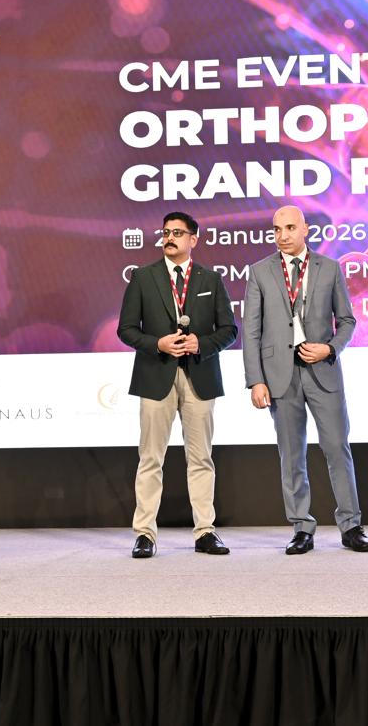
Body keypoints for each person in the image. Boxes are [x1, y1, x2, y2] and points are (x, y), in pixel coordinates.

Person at [243, 205, 368, 554]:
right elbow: (251, 331)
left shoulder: (329, 268)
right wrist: (255, 380)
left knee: (337, 448)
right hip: (279, 375)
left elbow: (347, 321)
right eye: (276, 229)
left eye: (289, 228)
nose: (282, 235)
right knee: (291, 455)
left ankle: (351, 526)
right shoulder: (259, 272)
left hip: (323, 372)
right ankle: (301, 527)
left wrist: (329, 349)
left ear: (305, 230)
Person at [118, 211, 237, 559]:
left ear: (193, 239)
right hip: (156, 375)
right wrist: (158, 343)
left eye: (177, 233)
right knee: (150, 458)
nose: (169, 238)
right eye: (166, 232)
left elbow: (229, 331)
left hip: (200, 376)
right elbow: (126, 329)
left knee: (201, 458)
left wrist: (202, 343)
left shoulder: (211, 279)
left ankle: (205, 532)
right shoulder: (143, 277)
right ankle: (144, 534)